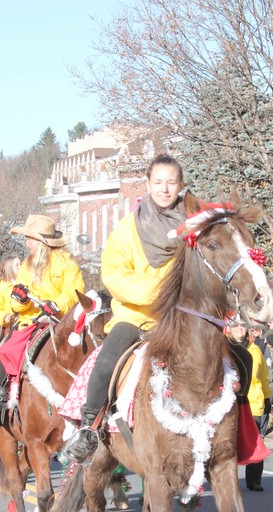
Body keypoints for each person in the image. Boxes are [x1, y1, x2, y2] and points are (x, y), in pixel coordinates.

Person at [63, 154, 191, 463]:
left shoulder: (193, 227)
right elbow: (114, 274)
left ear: (180, 185)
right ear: (147, 184)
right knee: (106, 362)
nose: (164, 189)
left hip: (180, 319)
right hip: (134, 317)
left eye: (171, 182)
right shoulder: (126, 228)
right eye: (158, 182)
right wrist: (161, 292)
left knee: (225, 362)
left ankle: (229, 434)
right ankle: (89, 427)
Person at [0, 216, 84, 428]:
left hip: (60, 323)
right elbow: (17, 306)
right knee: (6, 351)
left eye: (30, 239)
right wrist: (19, 300)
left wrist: (57, 305)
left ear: (42, 241)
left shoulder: (68, 263)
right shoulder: (26, 265)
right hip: (31, 322)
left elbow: (75, 292)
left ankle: (91, 404)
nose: (27, 244)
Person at [228, 317, 271, 491]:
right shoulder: (224, 348)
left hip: (253, 402)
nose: (239, 328)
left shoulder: (255, 350)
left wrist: (267, 398)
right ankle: (228, 480)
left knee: (254, 440)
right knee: (229, 442)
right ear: (229, 328)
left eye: (242, 326)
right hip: (229, 404)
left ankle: (254, 480)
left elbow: (264, 376)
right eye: (235, 325)